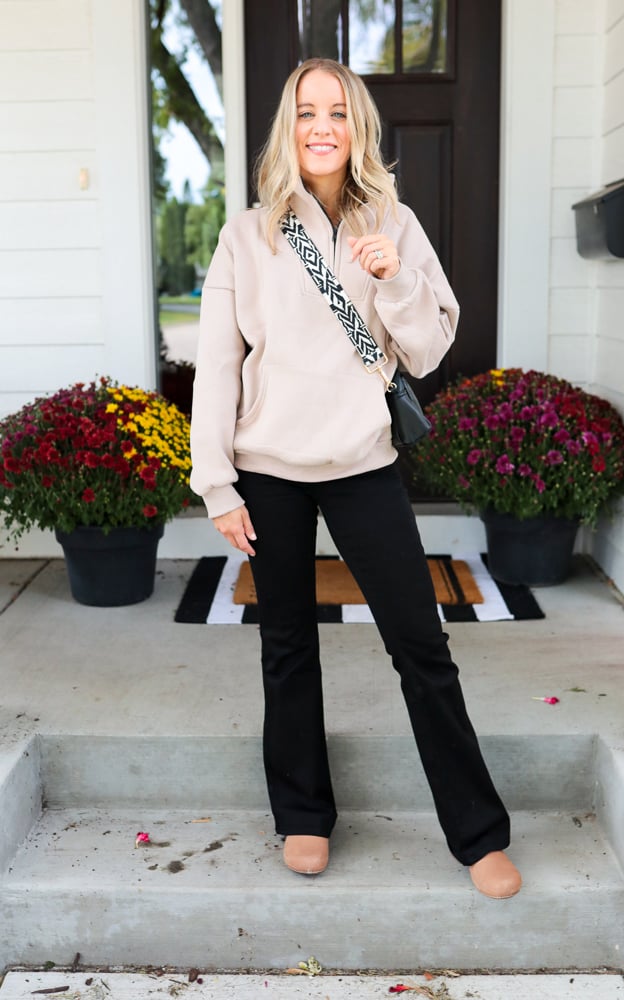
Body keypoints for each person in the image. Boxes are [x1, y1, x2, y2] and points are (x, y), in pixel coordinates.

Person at [190, 58, 522, 899]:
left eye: (336, 111)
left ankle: (477, 834)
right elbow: (218, 370)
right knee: (287, 647)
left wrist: (394, 278)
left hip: (363, 467)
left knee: (421, 647)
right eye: (306, 111)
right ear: (288, 127)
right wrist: (217, 486)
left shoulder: (394, 221)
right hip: (267, 470)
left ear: (357, 126)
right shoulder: (248, 233)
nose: (321, 126)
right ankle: (303, 816)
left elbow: (430, 347)